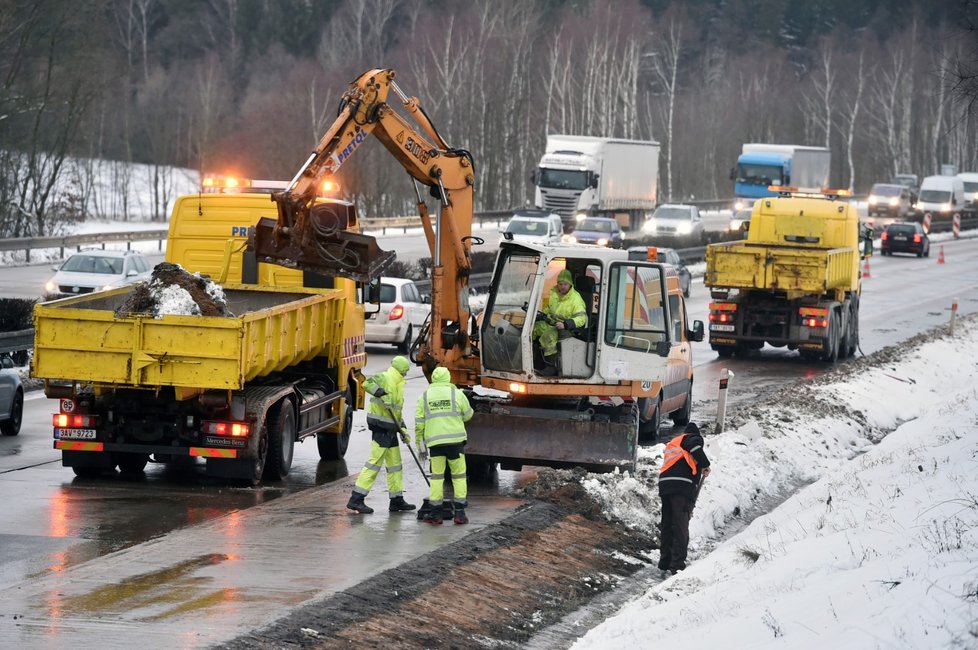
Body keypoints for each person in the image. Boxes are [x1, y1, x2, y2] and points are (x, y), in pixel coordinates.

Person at [346, 355, 416, 514]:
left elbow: (396, 413)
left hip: (391, 428)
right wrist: (381, 393)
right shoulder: (385, 377)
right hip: (381, 428)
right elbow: (366, 383)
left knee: (395, 465)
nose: (406, 375)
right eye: (405, 372)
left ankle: (396, 500)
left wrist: (403, 430)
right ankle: (356, 499)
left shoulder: (399, 384)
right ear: (401, 370)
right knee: (374, 463)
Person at [415, 366, 473, 525]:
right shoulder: (457, 393)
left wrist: (420, 445)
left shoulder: (425, 396)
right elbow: (468, 415)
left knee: (437, 477)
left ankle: (435, 514)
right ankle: (460, 514)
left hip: (435, 444)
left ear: (433, 378)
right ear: (448, 378)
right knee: (459, 476)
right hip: (455, 443)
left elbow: (419, 422)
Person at [658, 421, 711, 574]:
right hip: (680, 488)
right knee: (681, 525)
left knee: (667, 524)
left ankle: (665, 562)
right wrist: (705, 465)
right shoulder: (692, 438)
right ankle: (677, 565)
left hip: (665, 485)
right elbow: (694, 447)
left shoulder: (674, 443)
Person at [531, 268, 588, 376]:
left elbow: (581, 319)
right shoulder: (554, 294)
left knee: (548, 337)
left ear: (570, 284)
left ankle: (551, 367)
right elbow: (549, 309)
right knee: (533, 329)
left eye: (565, 284)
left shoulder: (576, 299)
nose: (562, 287)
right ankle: (534, 362)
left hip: (567, 328)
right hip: (552, 324)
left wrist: (566, 324)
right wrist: (541, 315)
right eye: (560, 284)